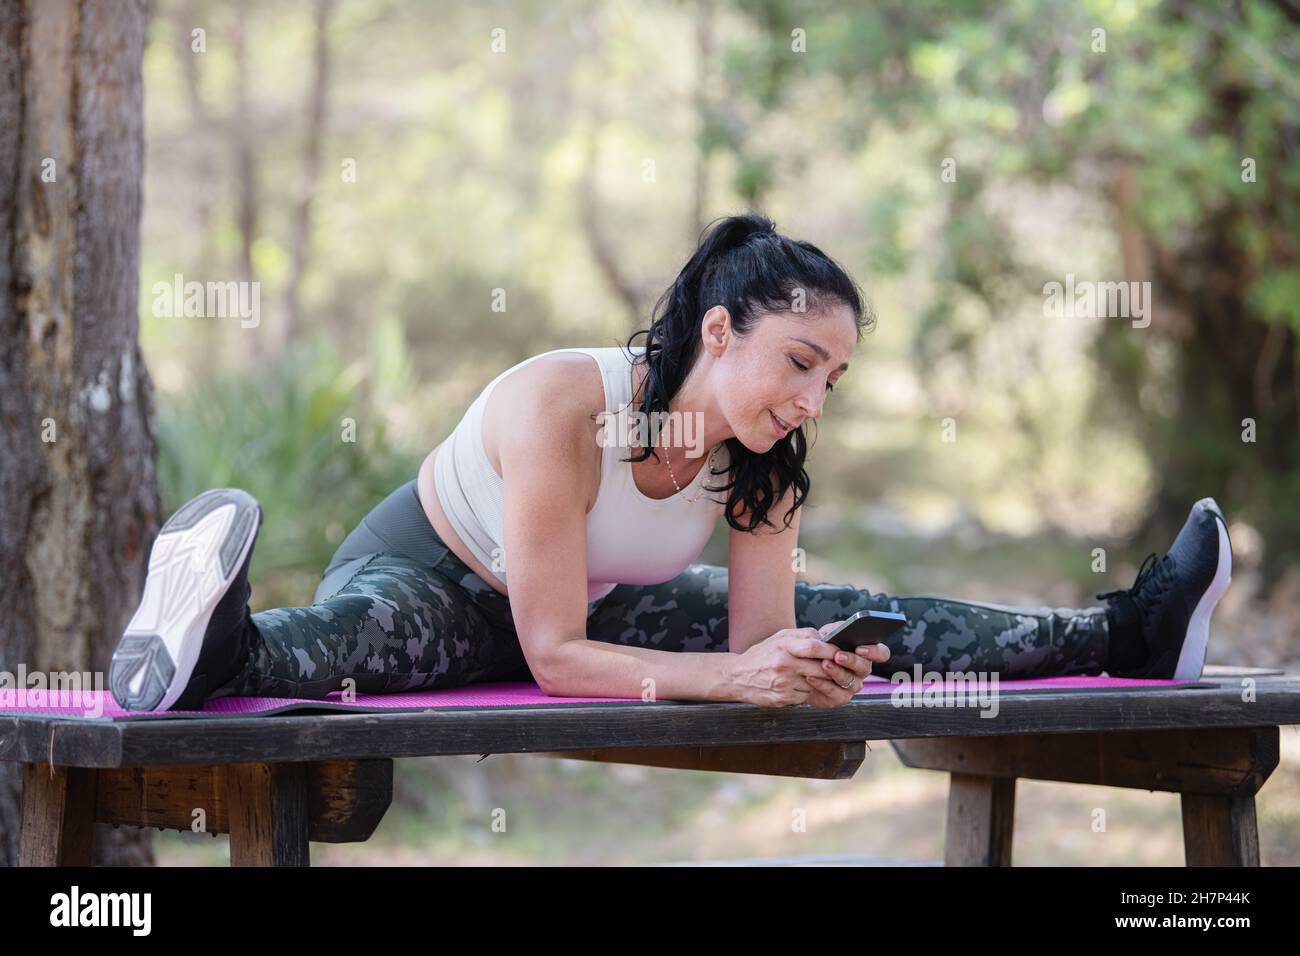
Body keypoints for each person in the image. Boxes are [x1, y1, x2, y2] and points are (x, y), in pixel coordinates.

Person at [108, 213, 1234, 713]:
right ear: (715, 331)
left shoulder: (765, 457)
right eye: (798, 360)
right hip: (443, 576)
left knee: (853, 613)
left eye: (829, 380)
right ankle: (212, 642)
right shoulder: (566, 402)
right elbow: (550, 655)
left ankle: (1127, 629)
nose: (808, 398)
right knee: (370, 646)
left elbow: (751, 640)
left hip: (601, 603)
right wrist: (733, 675)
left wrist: (793, 662)